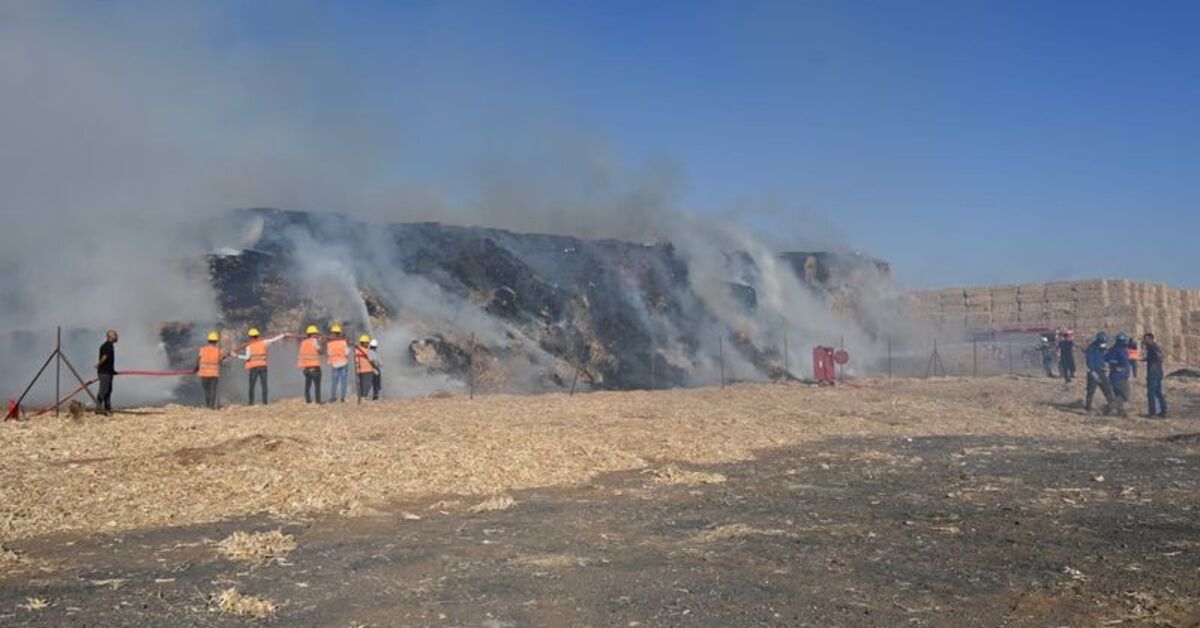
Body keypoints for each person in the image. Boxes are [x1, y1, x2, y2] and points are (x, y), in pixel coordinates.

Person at [233, 328, 286, 405]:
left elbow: (247, 357)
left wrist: (236, 356)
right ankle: (265, 402)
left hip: (253, 367)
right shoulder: (263, 342)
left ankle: (251, 403)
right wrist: (283, 335)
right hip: (263, 367)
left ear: (250, 337)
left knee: (252, 386)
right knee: (264, 385)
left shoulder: (249, 345)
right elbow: (273, 339)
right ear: (257, 335)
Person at [1083, 332, 1114, 414]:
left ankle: (1112, 405)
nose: (1103, 344)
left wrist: (1106, 365)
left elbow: (1105, 357)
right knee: (1091, 390)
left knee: (1107, 388)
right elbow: (1089, 361)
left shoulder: (1102, 348)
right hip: (1093, 372)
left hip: (1101, 371)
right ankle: (1088, 407)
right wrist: (1092, 371)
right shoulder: (1091, 348)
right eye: (1102, 342)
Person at [1105, 332, 1133, 417]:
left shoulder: (1111, 350)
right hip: (1121, 377)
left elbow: (1106, 359)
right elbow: (1124, 364)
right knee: (1125, 396)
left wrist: (1112, 366)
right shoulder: (1122, 351)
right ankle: (1110, 407)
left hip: (1113, 376)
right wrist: (1121, 368)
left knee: (1118, 395)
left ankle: (1121, 412)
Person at [94, 329, 118, 416]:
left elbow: (108, 359)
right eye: (115, 335)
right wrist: (98, 364)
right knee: (103, 390)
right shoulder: (107, 345)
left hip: (108, 372)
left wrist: (113, 371)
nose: (117, 337)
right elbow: (105, 357)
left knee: (108, 390)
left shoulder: (110, 345)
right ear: (111, 336)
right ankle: (98, 409)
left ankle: (107, 409)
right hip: (104, 373)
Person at [1143, 332, 1167, 417]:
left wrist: (1153, 367)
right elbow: (1155, 357)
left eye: (1145, 339)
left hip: (1154, 373)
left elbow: (1158, 357)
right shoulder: (1152, 347)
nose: (1144, 341)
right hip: (1158, 372)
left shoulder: (1153, 347)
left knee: (1151, 392)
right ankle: (1163, 411)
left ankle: (1152, 412)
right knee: (1158, 392)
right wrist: (1144, 359)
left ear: (1150, 339)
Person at [196, 331, 222, 409]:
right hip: (214, 374)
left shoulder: (202, 349)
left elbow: (198, 360)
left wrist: (196, 368)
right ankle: (211, 406)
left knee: (206, 391)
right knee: (213, 391)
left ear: (208, 341)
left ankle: (208, 405)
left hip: (204, 374)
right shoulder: (218, 351)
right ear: (216, 341)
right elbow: (220, 362)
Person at [298, 325, 323, 404]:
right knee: (317, 386)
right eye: (316, 333)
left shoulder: (303, 343)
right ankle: (318, 401)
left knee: (307, 386)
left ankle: (308, 400)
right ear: (312, 334)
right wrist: (320, 342)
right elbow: (320, 351)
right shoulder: (314, 341)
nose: (317, 335)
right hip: (315, 367)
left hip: (306, 368)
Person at [326, 324, 350, 403]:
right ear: (339, 333)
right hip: (343, 363)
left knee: (334, 382)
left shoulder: (329, 343)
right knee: (343, 382)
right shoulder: (343, 342)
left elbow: (329, 353)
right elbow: (347, 353)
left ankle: (333, 397)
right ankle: (342, 398)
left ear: (333, 333)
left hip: (334, 364)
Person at [355, 335, 376, 400]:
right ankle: (363, 396)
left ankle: (360, 396)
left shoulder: (356, 350)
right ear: (365, 343)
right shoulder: (369, 351)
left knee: (360, 384)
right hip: (368, 370)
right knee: (367, 384)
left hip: (359, 370)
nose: (368, 344)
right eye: (367, 342)